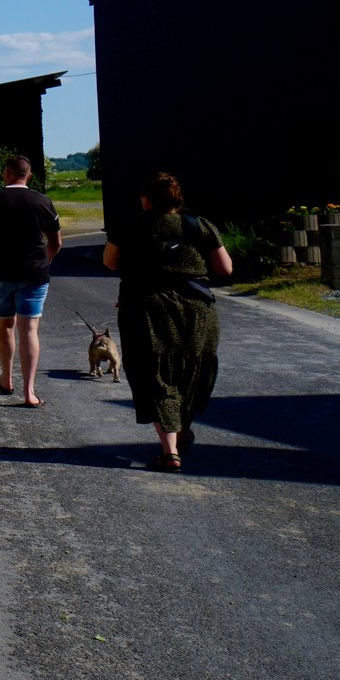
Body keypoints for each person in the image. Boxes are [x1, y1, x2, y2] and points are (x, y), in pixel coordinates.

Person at [101, 172, 233, 472]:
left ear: (146, 200)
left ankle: (170, 450)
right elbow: (225, 268)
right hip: (197, 312)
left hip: (146, 309)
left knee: (155, 374)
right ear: (177, 199)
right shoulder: (199, 226)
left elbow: (109, 261)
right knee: (192, 372)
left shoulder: (130, 227)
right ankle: (181, 431)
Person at [0, 154, 61, 406]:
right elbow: (56, 243)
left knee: (4, 326)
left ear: (6, 173)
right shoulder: (43, 201)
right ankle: (29, 392)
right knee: (29, 329)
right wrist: (45, 261)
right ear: (29, 176)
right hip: (34, 274)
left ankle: (6, 379)